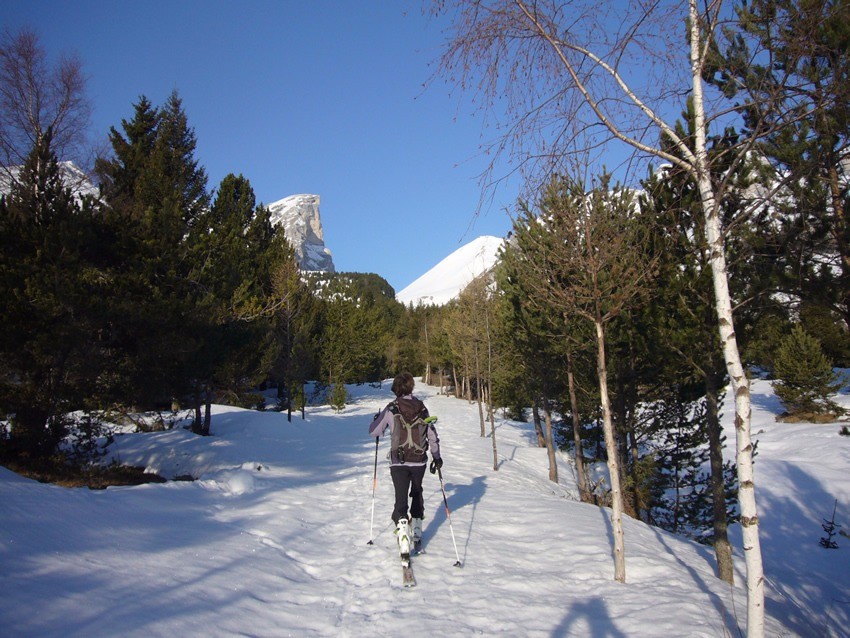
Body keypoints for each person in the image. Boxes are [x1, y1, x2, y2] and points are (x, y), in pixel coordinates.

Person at [369, 372, 442, 556]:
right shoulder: (421, 408)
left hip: (398, 462)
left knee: (400, 498)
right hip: (419, 461)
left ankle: (402, 531)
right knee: (417, 491)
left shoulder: (391, 408)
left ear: (396, 388)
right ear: (411, 387)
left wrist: (377, 420)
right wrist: (436, 456)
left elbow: (374, 432)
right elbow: (431, 434)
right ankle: (416, 527)